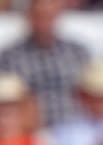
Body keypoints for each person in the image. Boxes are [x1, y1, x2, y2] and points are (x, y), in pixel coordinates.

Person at [0, 0, 89, 129]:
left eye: (49, 16)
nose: (44, 23)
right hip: (32, 130)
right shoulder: (10, 56)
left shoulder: (77, 52)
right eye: (39, 16)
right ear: (28, 17)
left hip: (75, 127)